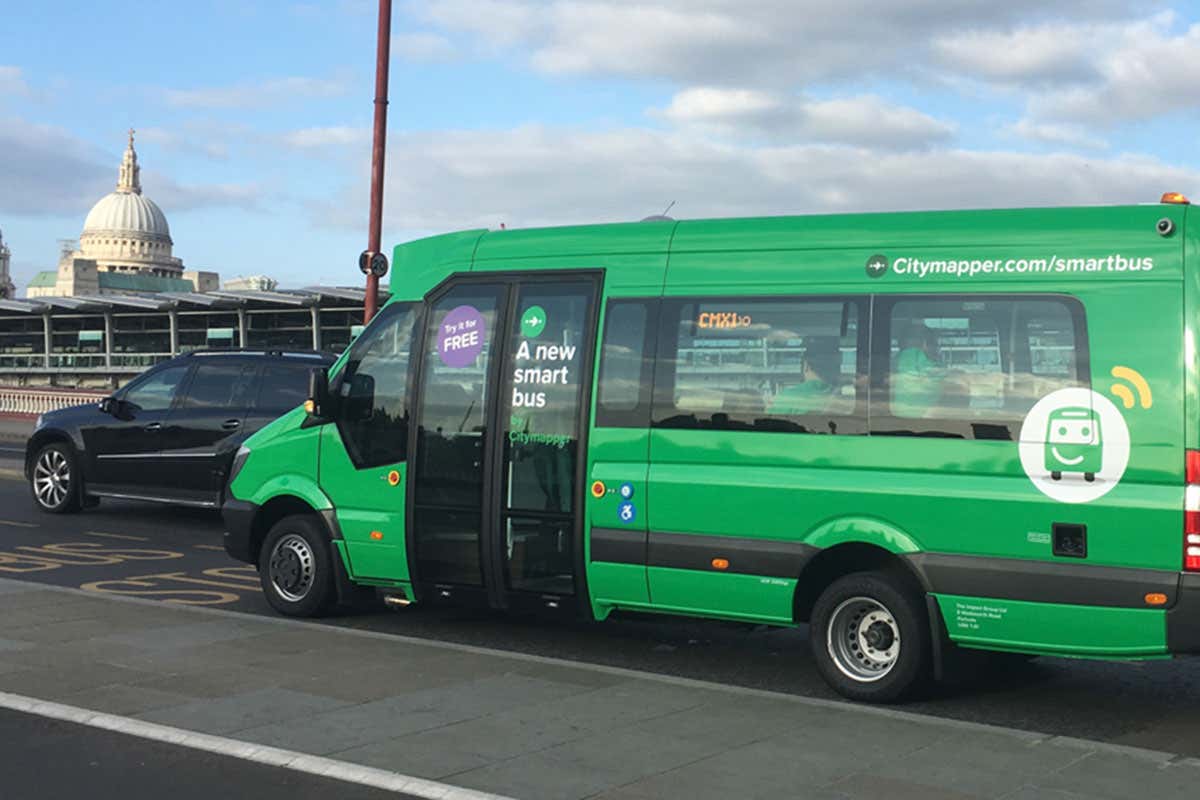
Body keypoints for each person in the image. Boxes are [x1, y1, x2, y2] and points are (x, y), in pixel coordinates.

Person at [768, 337, 842, 416]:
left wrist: (769, 408)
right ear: (835, 368)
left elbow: (766, 425)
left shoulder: (785, 399)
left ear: (806, 366)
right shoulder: (842, 403)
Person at [892, 324, 945, 417]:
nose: (937, 348)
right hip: (920, 417)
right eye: (935, 343)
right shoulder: (915, 356)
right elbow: (938, 381)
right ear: (925, 343)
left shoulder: (896, 360)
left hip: (901, 417)